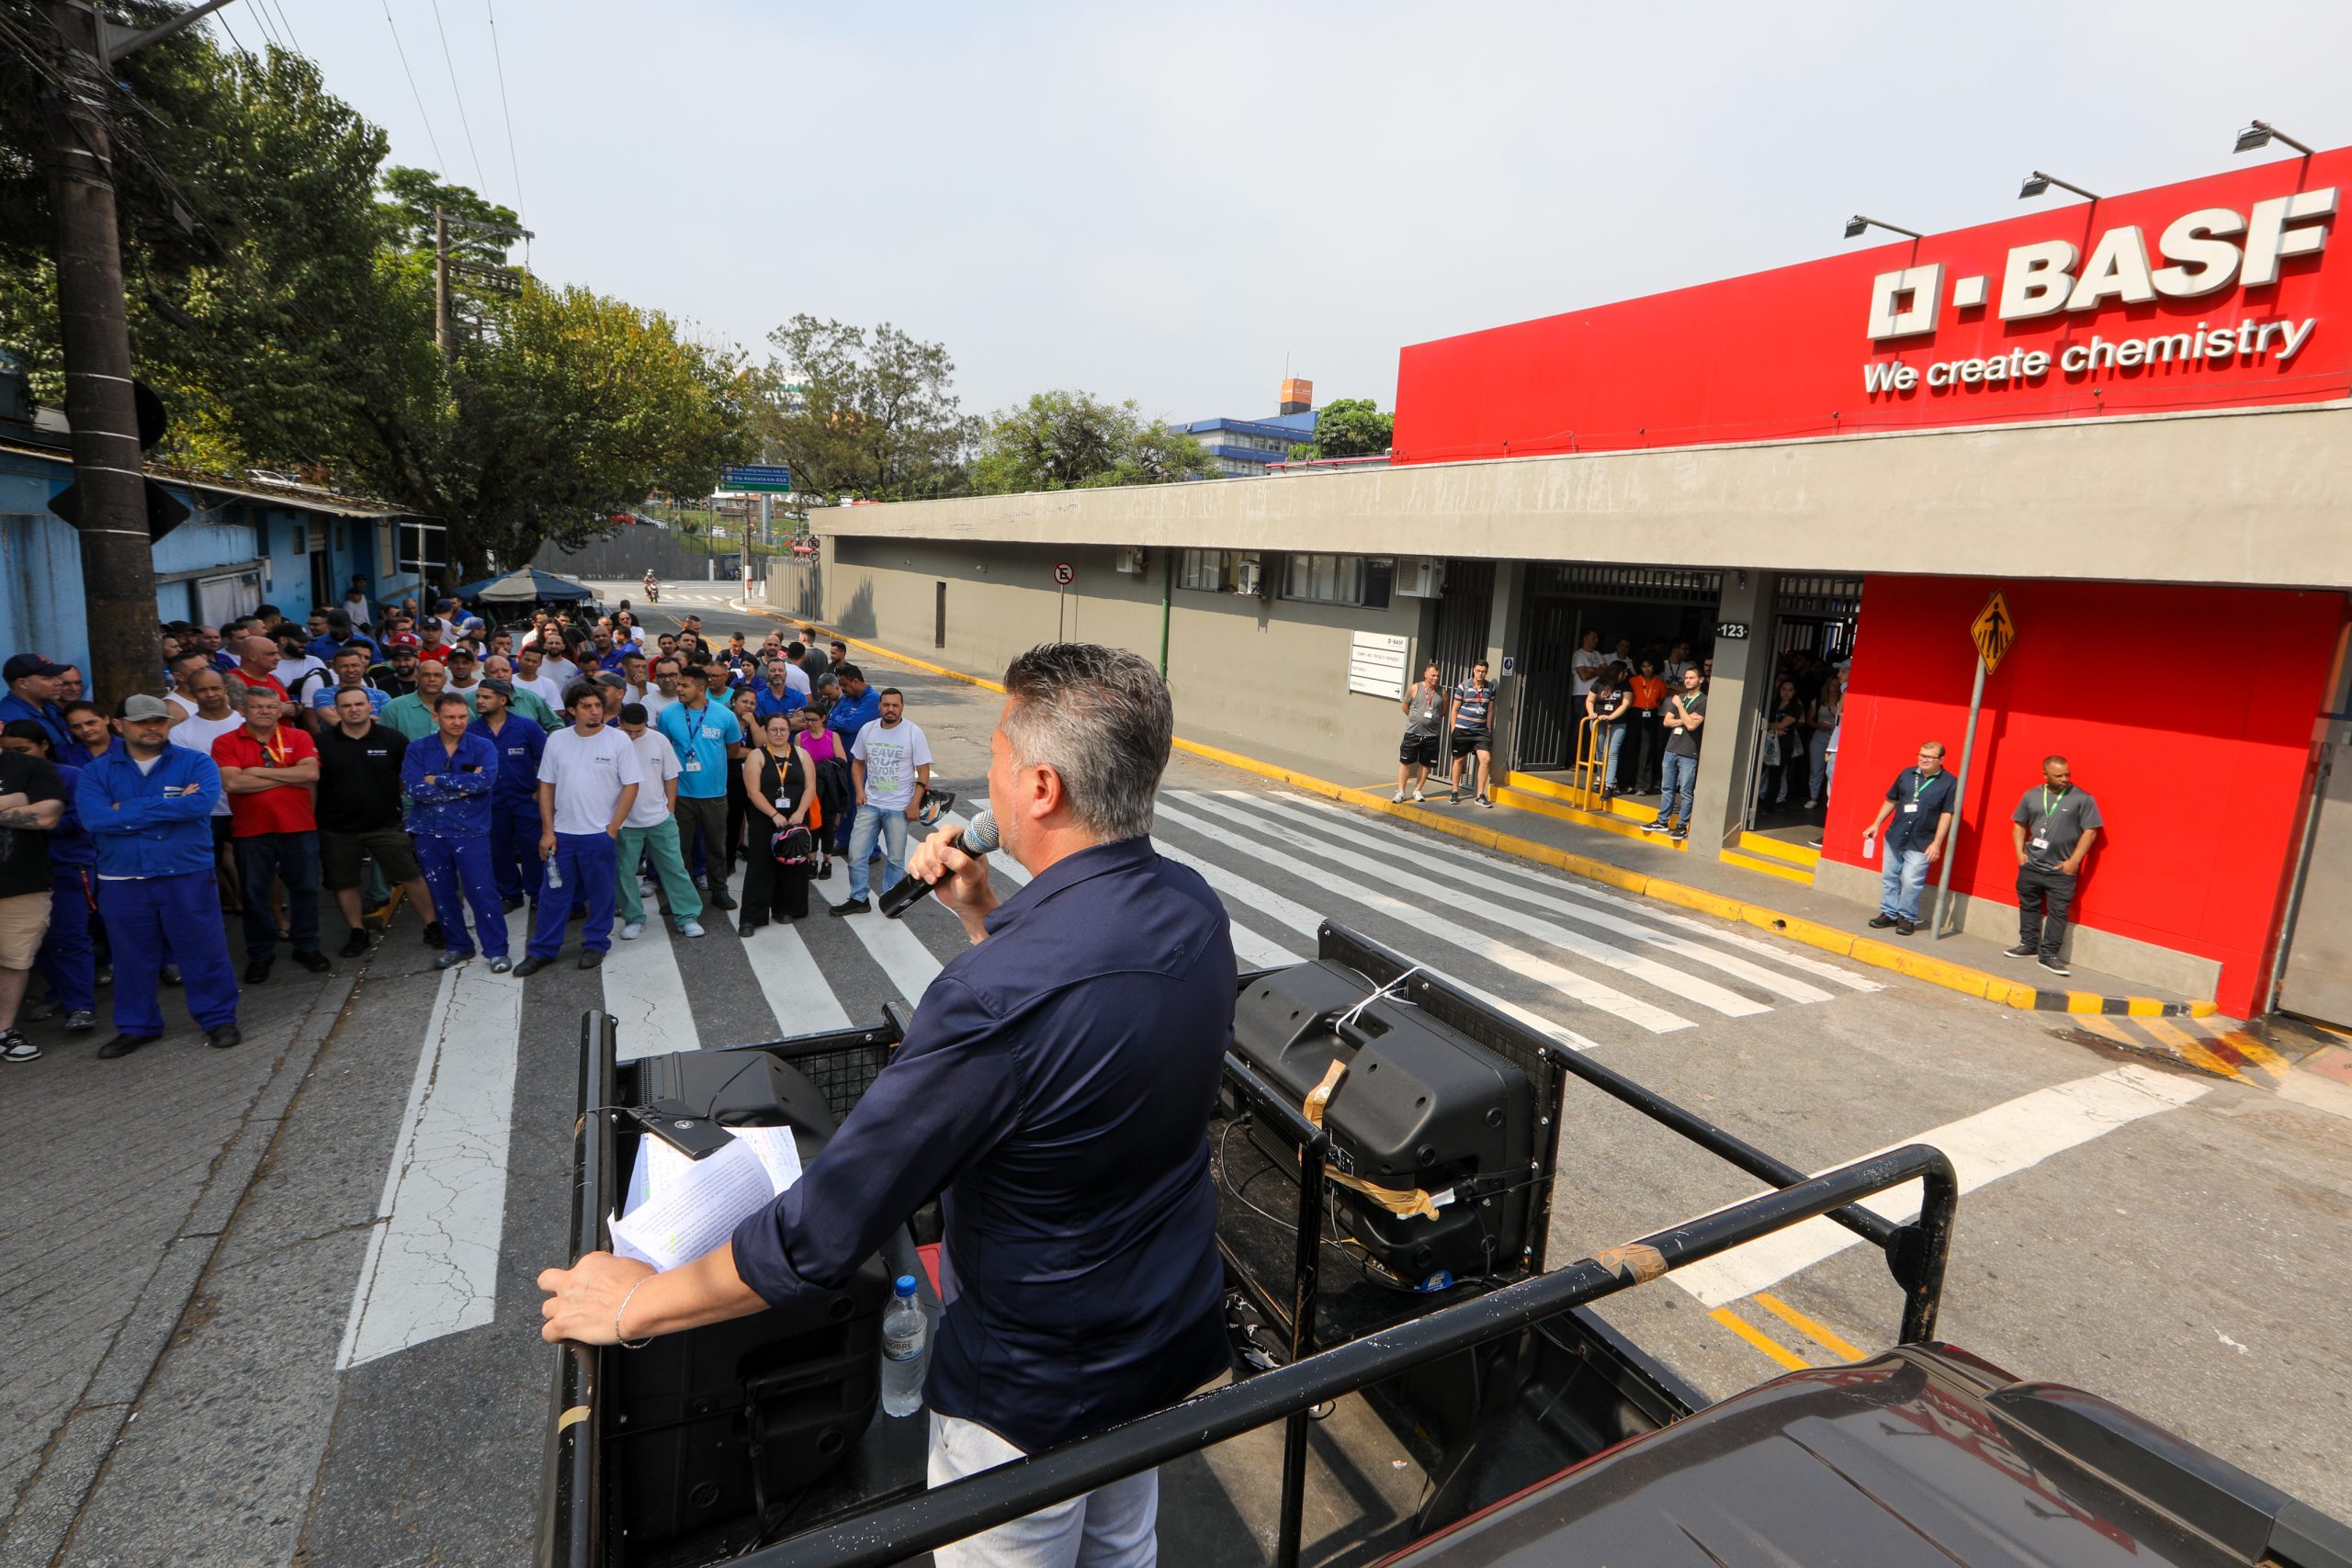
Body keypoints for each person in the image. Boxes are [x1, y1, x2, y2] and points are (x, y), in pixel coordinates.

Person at [537, 644, 1234, 1568]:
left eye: (990, 754)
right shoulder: (1191, 906)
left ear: (1036, 788)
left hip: (1030, 1394)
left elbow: (822, 1233)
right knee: (1121, 1550)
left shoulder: (996, 998)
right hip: (1160, 1336)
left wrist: (639, 1305)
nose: (975, 775)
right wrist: (983, 914)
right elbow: (1088, 1045)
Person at [80, 695, 242, 1056]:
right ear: (119, 725)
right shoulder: (96, 771)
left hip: (186, 872)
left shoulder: (196, 761)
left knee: (204, 948)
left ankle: (218, 1019)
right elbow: (94, 819)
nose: (151, 727)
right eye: (141, 721)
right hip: (123, 878)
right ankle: (138, 1026)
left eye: (158, 720)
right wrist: (168, 804)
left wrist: (127, 810)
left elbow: (200, 805)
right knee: (130, 955)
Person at [515, 687, 641, 975]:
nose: (595, 711)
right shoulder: (557, 740)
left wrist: (612, 828)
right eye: (587, 706)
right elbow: (546, 786)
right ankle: (543, 951)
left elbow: (631, 784)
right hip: (562, 835)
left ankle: (595, 944)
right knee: (553, 895)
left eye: (598, 705)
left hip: (599, 835)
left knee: (601, 893)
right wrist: (548, 831)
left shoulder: (618, 739)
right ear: (572, 710)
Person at [213, 687, 331, 982]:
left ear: (280, 711)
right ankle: (260, 952)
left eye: (270, 706)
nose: (264, 711)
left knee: (305, 888)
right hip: (251, 830)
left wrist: (256, 771)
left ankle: (306, 945)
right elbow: (233, 784)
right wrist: (286, 775)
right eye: (257, 707)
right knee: (254, 894)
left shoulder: (299, 737)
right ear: (243, 710)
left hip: (299, 826)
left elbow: (310, 776)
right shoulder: (225, 742)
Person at [315, 685, 440, 960]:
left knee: (411, 875)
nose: (354, 709)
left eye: (359, 704)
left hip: (385, 824)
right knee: (344, 882)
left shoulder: (393, 739)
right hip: (337, 828)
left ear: (371, 706)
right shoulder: (321, 743)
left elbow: (406, 778)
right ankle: (357, 931)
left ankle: (432, 925)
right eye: (346, 706)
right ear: (336, 710)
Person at [403, 693, 511, 972]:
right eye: (450, 717)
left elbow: (484, 781)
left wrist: (437, 780)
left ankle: (497, 950)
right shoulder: (418, 749)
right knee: (441, 892)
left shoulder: (482, 746)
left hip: (471, 831)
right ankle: (458, 945)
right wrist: (461, 788)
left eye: (462, 716)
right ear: (435, 717)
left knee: (482, 892)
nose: (457, 722)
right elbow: (414, 789)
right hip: (429, 832)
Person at [4, 721, 96, 1041]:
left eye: (23, 749)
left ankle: (80, 1006)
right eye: (12, 749)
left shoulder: (68, 775)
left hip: (67, 868)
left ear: (44, 745)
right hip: (24, 877)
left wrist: (33, 818)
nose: (16, 755)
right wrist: (21, 809)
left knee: (69, 938)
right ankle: (57, 995)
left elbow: (74, 819)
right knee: (35, 945)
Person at [652, 666, 743, 913]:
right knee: (680, 848)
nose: (678, 688)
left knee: (716, 846)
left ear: (701, 689)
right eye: (678, 684)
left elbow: (733, 749)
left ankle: (719, 890)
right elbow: (664, 749)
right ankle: (680, 895)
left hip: (714, 795)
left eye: (684, 685)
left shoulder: (724, 715)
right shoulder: (668, 715)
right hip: (680, 795)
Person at [834, 687, 932, 916]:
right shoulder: (868, 730)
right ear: (879, 706)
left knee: (896, 859)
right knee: (856, 854)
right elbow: (858, 763)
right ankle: (859, 898)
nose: (890, 709)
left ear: (902, 707)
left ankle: (891, 900)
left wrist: (914, 803)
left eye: (895, 705)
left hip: (899, 807)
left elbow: (923, 772)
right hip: (869, 804)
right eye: (886, 705)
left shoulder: (913, 733)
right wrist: (859, 790)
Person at [0, 724, 66, 1061]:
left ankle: (3, 1031)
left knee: (15, 959)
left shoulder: (32, 767)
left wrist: (28, 804)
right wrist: (15, 800)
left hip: (21, 882)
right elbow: (30, 810)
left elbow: (47, 817)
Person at [612, 703, 705, 942]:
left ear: (647, 724)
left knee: (674, 868)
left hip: (659, 817)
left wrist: (670, 808)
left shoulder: (658, 740)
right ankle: (634, 918)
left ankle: (687, 916)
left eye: (638, 731)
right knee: (625, 871)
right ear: (619, 721)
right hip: (625, 822)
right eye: (628, 730)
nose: (633, 736)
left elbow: (671, 775)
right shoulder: (610, 740)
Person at [2007, 756, 2102, 977]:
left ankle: (2049, 955)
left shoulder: (2082, 799)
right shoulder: (2031, 795)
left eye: (2067, 774)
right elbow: (2019, 824)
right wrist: (2019, 854)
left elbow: (2091, 831)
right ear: (2045, 776)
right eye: (2059, 776)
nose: (2065, 779)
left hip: (2060, 870)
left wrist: (2073, 862)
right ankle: (2028, 945)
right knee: (2028, 905)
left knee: (2058, 912)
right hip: (2031, 864)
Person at [468, 680, 548, 911]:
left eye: (486, 697)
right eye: (479, 697)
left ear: (503, 700)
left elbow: (545, 761)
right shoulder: (472, 731)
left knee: (534, 849)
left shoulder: (527, 727)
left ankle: (537, 892)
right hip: (491, 803)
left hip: (526, 800)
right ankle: (510, 893)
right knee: (498, 850)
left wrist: (541, 792)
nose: (480, 701)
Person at [169, 668, 246, 909]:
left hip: (246, 806)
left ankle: (263, 912)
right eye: (202, 690)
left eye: (215, 688)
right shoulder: (179, 733)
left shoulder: (245, 723)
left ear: (225, 689)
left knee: (256, 866)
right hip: (207, 812)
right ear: (192, 693)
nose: (210, 694)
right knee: (207, 866)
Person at [1863, 741, 1958, 938]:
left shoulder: (1950, 782)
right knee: (1890, 877)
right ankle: (1889, 913)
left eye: (1930, 757)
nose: (1924, 759)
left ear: (1941, 760)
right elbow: (1891, 800)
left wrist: (1937, 843)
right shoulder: (1906, 774)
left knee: (1910, 881)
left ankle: (1906, 917)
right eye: (1921, 755)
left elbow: (1947, 814)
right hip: (1895, 836)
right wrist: (1876, 824)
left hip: (1922, 842)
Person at [738, 711, 814, 934]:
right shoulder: (757, 755)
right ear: (767, 732)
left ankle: (785, 908)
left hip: (796, 818)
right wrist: (773, 814)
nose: (778, 734)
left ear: (789, 732)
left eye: (783, 730)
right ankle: (752, 917)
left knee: (792, 864)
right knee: (760, 867)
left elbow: (810, 787)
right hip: (766, 818)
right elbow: (753, 792)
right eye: (774, 730)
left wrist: (800, 812)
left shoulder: (801, 754)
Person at [1645, 665, 1707, 841]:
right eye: (1686, 678)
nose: (1687, 680)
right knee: (1667, 787)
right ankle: (1662, 820)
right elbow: (1666, 722)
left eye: (1691, 678)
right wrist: (1686, 717)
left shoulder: (1702, 701)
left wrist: (1680, 708)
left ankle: (1681, 825)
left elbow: (1692, 726)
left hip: (1689, 751)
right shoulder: (1679, 696)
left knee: (1686, 791)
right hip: (1671, 748)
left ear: (1700, 680)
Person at [795, 706, 847, 881]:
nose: (810, 724)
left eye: (814, 720)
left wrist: (821, 768)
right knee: (811, 824)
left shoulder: (832, 736)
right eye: (807, 720)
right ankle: (811, 861)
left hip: (830, 788)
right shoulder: (800, 737)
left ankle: (827, 861)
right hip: (810, 788)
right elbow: (796, 764)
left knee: (828, 825)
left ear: (823, 718)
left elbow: (842, 761)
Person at [1445, 660, 1497, 807]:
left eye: (1484, 671)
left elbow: (1490, 710)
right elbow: (1454, 709)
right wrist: (1454, 730)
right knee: (1459, 760)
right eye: (1478, 670)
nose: (1481, 674)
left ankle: (1480, 795)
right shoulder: (1463, 686)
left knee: (1486, 759)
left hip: (1481, 731)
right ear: (1474, 670)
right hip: (1463, 729)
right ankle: (1454, 791)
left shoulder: (1491, 688)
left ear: (1487, 672)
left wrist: (1488, 730)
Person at [0, 653, 73, 756]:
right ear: (23, 683)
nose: (59, 682)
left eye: (56, 676)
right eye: (48, 678)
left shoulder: (47, 705)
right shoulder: (12, 719)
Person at [380, 659, 469, 740]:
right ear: (417, 678)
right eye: (426, 675)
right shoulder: (394, 708)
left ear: (445, 679)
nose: (432, 679)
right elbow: (385, 744)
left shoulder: (461, 708)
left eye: (437, 675)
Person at [1394, 662, 1444, 803]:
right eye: (1433, 675)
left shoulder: (1442, 692)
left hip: (1431, 735)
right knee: (1406, 762)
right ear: (1426, 674)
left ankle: (1418, 791)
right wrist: (1414, 718)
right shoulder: (1415, 688)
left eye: (1438, 676)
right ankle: (1401, 792)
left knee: (1426, 764)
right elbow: (1404, 705)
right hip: (1413, 733)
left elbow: (1443, 711)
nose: (1436, 678)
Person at [1584, 662, 1633, 800]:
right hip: (1599, 720)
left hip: (1617, 722)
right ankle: (1602, 778)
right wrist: (1591, 713)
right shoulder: (1599, 682)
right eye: (1624, 672)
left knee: (1612, 753)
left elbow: (1627, 703)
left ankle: (1609, 786)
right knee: (1599, 752)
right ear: (1618, 672)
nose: (1627, 674)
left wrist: (1611, 717)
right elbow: (1590, 700)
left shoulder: (1625, 685)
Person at [1758, 677, 1807, 809]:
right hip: (1767, 742)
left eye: (1790, 690)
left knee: (1775, 775)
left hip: (1783, 745)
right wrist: (1774, 727)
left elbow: (1783, 724)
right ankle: (1756, 801)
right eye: (1784, 689)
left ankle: (1768, 806)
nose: (1786, 692)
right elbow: (1776, 725)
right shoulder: (1773, 704)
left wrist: (1766, 725)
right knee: (1758, 771)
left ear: (1794, 692)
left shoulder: (1795, 707)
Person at [304, 644, 389, 718]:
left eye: (355, 665)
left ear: (363, 667)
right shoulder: (323, 694)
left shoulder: (381, 695)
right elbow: (335, 722)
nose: (350, 670)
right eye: (344, 666)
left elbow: (389, 723)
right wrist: (374, 719)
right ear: (334, 668)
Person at [1627, 657, 1667, 796]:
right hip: (1635, 713)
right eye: (1644, 666)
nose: (1647, 669)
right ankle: (1628, 783)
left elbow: (1660, 700)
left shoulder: (1659, 683)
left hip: (1651, 714)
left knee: (1646, 750)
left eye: (1650, 665)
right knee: (1631, 747)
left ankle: (1642, 785)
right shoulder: (1633, 681)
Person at [1807, 675, 1842, 811]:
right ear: (1827, 687)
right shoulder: (1817, 702)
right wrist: (1818, 725)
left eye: (1838, 685)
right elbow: (1809, 721)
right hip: (1819, 738)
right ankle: (1813, 798)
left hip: (1835, 739)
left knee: (1833, 771)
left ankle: (1831, 799)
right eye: (1833, 685)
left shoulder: (1843, 702)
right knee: (1816, 769)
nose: (1835, 688)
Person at [225, 633, 290, 704]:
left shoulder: (275, 679)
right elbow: (240, 710)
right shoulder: (233, 680)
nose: (278, 658)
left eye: (277, 654)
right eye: (271, 654)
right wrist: (282, 708)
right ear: (252, 657)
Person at [826, 662, 879, 748]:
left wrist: (838, 720)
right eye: (840, 685)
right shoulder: (847, 697)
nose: (841, 688)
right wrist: (842, 721)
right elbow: (829, 723)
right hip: (841, 754)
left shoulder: (873, 699)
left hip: (859, 757)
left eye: (844, 684)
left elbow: (850, 726)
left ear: (855, 681)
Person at [61, 701, 114, 767]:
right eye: (76, 727)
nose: (85, 730)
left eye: (90, 723)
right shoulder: (64, 753)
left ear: (106, 719)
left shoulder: (127, 748)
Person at [754, 658, 805, 722]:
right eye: (773, 670)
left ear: (786, 674)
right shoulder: (758, 698)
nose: (777, 673)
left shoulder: (799, 697)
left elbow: (803, 724)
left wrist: (769, 722)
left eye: (780, 670)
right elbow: (759, 726)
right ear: (767, 675)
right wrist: (791, 720)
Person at [1569, 629, 1608, 707]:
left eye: (1597, 638)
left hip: (1596, 694)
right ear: (1585, 638)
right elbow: (1584, 676)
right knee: (1580, 719)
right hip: (1581, 694)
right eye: (1593, 638)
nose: (1596, 640)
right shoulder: (1578, 654)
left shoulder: (1597, 654)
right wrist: (1598, 671)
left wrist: (1591, 669)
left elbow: (1606, 671)